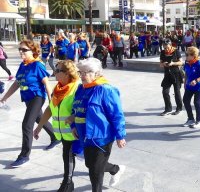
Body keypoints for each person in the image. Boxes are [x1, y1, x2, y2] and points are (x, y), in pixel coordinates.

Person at [0, 40, 60, 168]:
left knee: (27, 124)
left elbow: (46, 83)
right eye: (20, 49)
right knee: (39, 118)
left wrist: (51, 101)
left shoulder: (37, 65)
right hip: (28, 98)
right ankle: (55, 137)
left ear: (33, 51)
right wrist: (4, 98)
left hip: (37, 97)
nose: (21, 51)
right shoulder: (23, 65)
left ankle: (24, 155)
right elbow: (17, 83)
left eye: (24, 50)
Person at [71, 58, 126, 191]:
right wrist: (73, 126)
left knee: (95, 171)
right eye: (81, 72)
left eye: (88, 72)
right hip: (85, 135)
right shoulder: (80, 89)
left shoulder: (106, 90)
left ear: (97, 73)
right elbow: (75, 109)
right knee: (90, 164)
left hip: (102, 136)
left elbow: (116, 114)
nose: (83, 75)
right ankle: (116, 169)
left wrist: (120, 135)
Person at [34, 60, 80, 192]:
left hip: (76, 132)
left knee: (92, 162)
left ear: (67, 73)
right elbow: (50, 108)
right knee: (68, 156)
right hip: (64, 134)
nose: (54, 72)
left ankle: (114, 169)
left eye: (57, 70)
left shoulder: (77, 88)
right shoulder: (58, 88)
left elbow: (84, 109)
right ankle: (67, 183)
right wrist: (39, 126)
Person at [182, 47, 200, 128]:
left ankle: (199, 121)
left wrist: (196, 80)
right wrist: (185, 82)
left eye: (187, 54)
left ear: (193, 55)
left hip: (199, 86)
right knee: (185, 100)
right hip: (189, 85)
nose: (185, 56)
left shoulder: (199, 63)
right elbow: (186, 72)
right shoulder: (187, 62)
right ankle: (190, 119)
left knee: (196, 102)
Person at [159, 39, 183, 116]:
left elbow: (181, 62)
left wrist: (173, 63)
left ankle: (179, 108)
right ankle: (168, 108)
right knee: (165, 92)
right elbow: (160, 64)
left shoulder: (176, 51)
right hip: (167, 74)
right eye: (164, 47)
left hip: (176, 74)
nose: (166, 49)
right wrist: (164, 64)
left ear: (170, 45)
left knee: (177, 92)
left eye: (167, 47)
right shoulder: (163, 52)